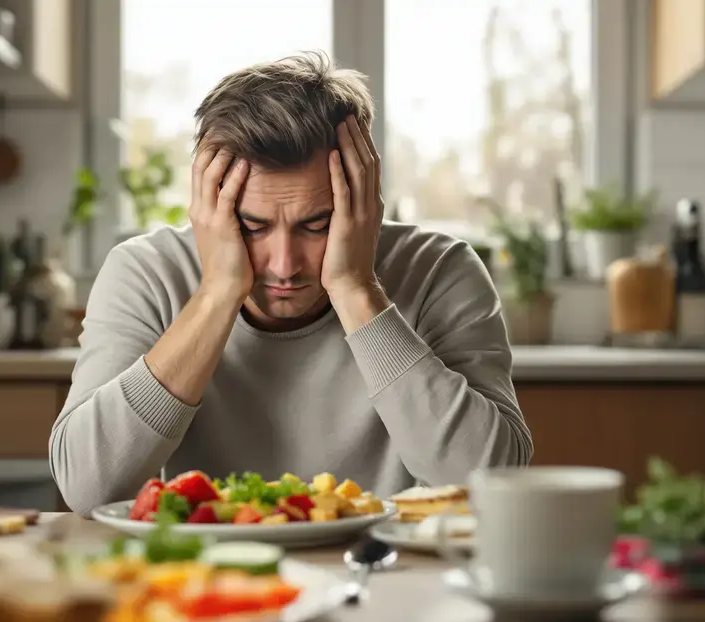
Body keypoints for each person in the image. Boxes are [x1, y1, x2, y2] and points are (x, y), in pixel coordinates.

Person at [50, 51, 532, 516]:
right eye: (254, 226)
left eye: (317, 224)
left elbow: (489, 483)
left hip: (385, 574)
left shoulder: (441, 270)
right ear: (207, 204)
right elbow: (87, 488)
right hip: (201, 578)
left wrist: (355, 287)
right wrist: (218, 292)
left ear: (363, 201)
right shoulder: (146, 273)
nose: (284, 265)